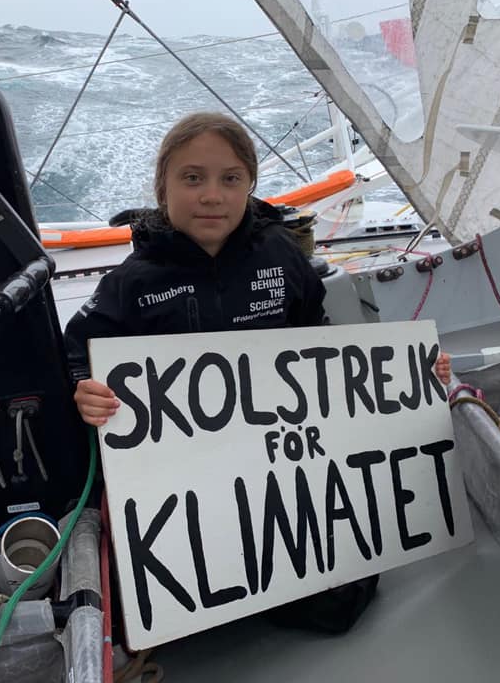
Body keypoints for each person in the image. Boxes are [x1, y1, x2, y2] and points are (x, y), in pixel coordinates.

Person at [64, 111, 451, 633]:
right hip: (181, 476)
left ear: (250, 184)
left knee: (336, 608)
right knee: (153, 617)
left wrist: (410, 378)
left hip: (277, 462)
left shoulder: (280, 254)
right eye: (192, 178)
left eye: (231, 179)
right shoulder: (131, 282)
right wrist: (80, 391)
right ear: (163, 186)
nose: (212, 196)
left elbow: (320, 339)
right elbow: (73, 354)